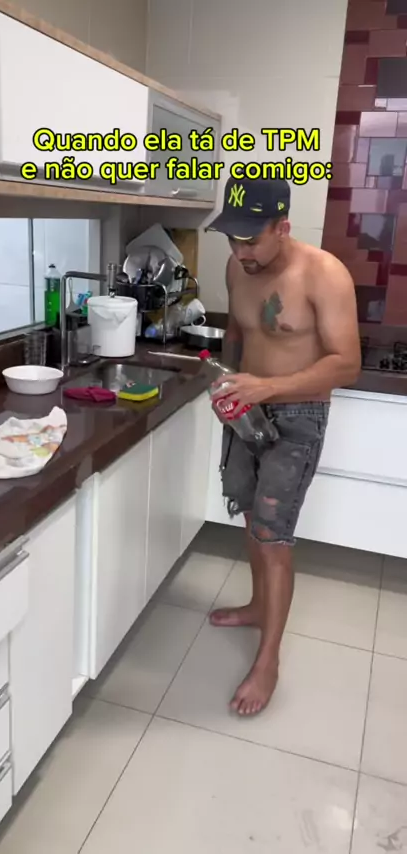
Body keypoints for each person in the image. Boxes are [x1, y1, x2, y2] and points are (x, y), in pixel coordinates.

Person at [204, 175, 361, 717]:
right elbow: (239, 334)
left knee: (273, 538)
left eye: (252, 240)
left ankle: (268, 662)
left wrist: (267, 387)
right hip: (246, 408)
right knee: (250, 519)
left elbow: (347, 363)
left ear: (284, 227)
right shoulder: (237, 267)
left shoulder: (324, 274)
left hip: (298, 416)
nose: (240, 252)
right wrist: (225, 382)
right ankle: (256, 607)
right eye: (233, 239)